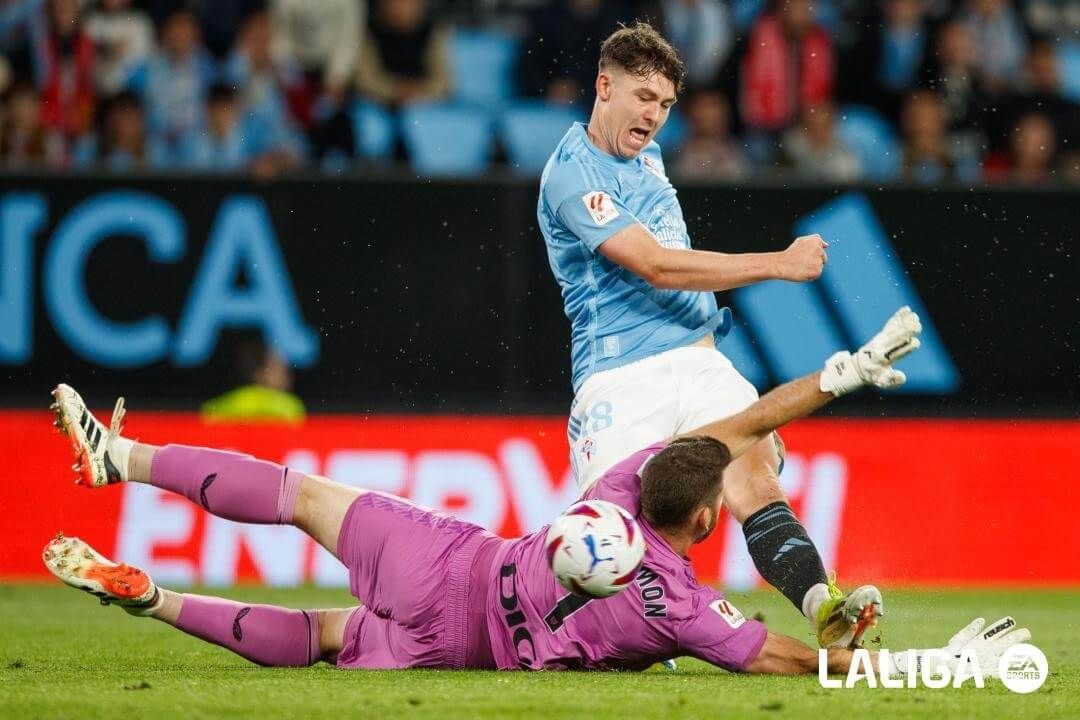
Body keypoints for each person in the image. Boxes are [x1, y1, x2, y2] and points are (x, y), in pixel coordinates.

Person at [46, 307, 1031, 676]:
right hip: (459, 650)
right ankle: (160, 601)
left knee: (302, 494)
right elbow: (794, 663)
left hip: (448, 562)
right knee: (324, 639)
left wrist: (832, 380)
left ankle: (121, 458)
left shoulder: (619, 482)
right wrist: (953, 667)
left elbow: (730, 432)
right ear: (699, 522)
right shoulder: (679, 609)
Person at [536, 21, 845, 646]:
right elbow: (654, 263)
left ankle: (827, 610)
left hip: (700, 360)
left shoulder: (642, 153)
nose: (654, 115)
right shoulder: (571, 174)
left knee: (751, 470)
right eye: (643, 97)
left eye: (666, 104)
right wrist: (777, 264)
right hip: (619, 374)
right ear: (604, 86)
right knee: (608, 540)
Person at [200, 338, 306, 422]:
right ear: (259, 373)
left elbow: (206, 416)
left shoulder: (231, 402)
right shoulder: (290, 405)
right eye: (279, 368)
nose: (287, 374)